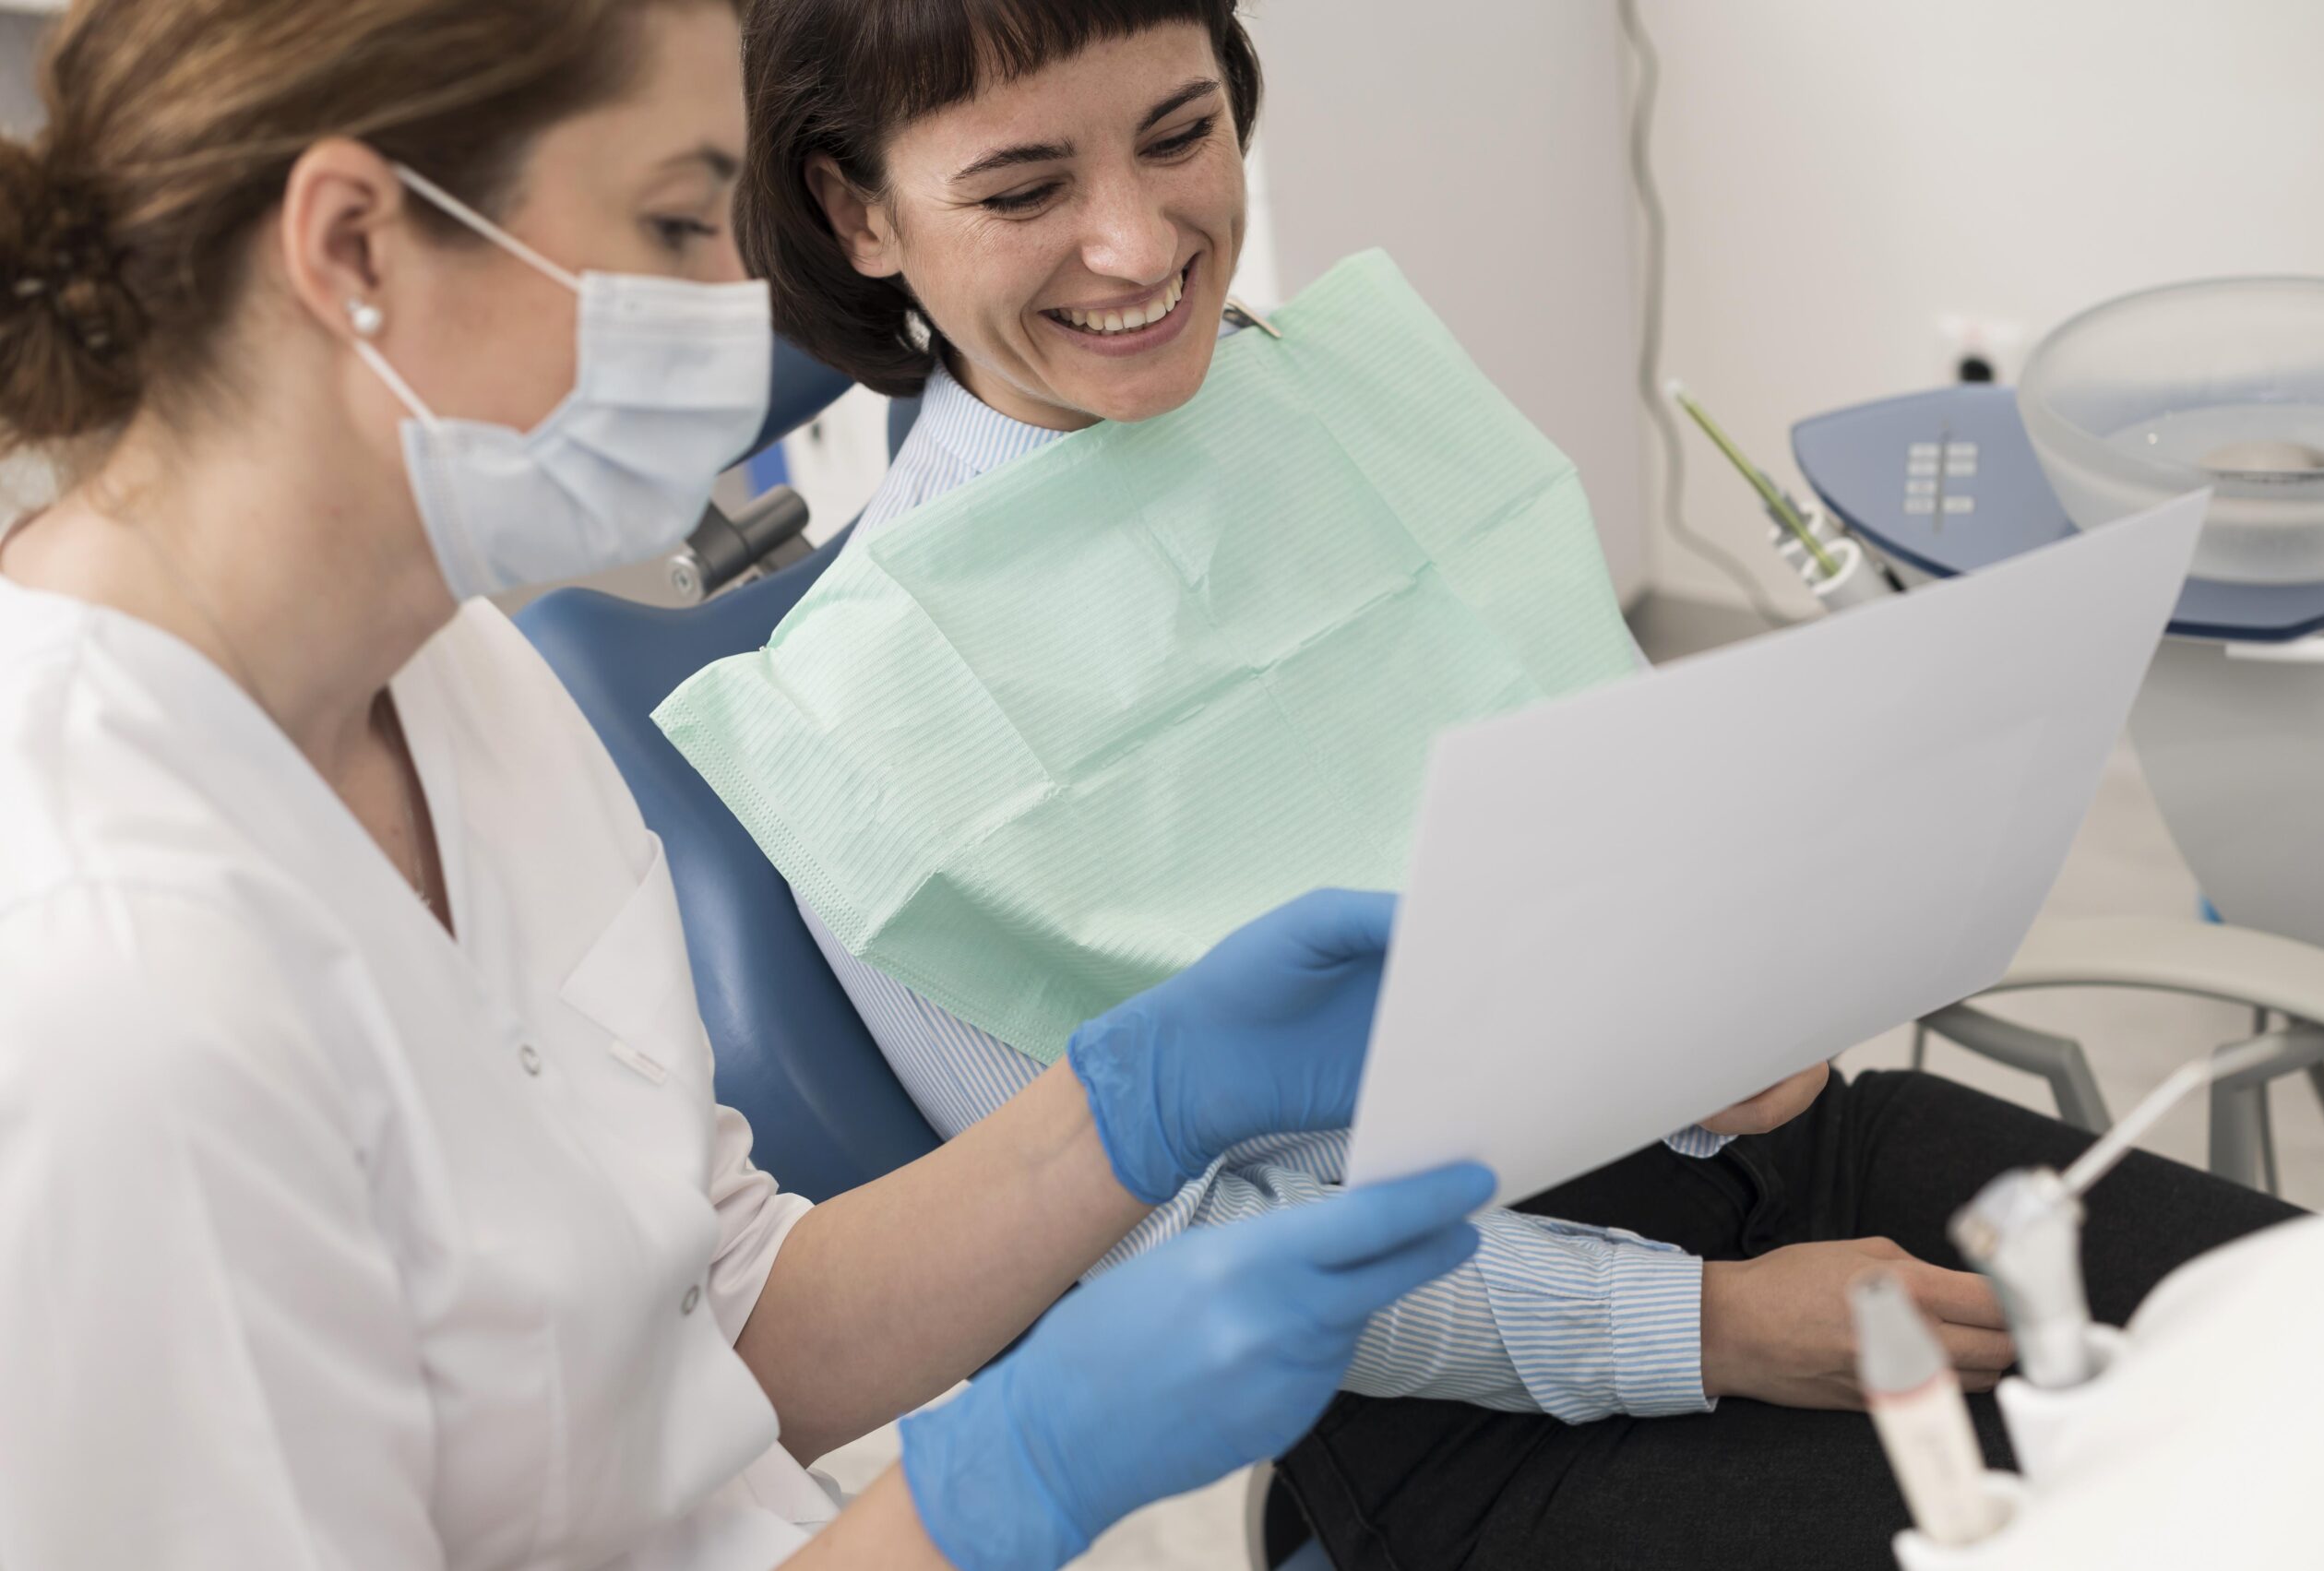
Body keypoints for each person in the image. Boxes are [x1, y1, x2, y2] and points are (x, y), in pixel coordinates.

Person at [727, 2, 2306, 1565]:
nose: (1139, 247)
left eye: (1182, 134)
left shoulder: (1350, 399)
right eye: (1024, 193)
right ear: (858, 210)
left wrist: (1767, 966)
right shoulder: (863, 724)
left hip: (1789, 1153)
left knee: (2319, 1378)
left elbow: (1623, 801)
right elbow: (1171, 1249)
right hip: (1461, 1399)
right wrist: (1705, 1327)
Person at [0, 3, 1499, 1567]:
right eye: (672, 220)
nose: (742, 304)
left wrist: (1129, 1112)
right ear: (358, 244)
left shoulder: (460, 684)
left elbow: (706, 1317)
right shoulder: (104, 979)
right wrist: (1007, 1483)